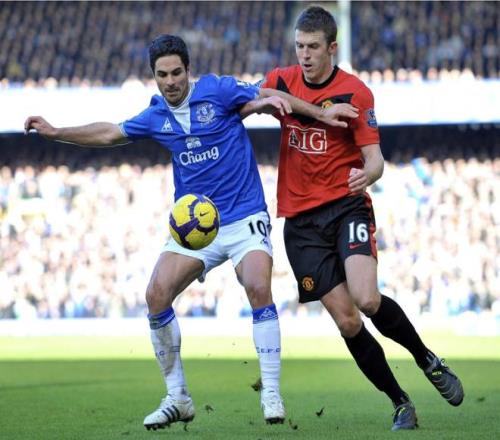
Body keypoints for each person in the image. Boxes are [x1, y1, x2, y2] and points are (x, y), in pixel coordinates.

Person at [24, 34, 355, 431]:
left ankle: (270, 391)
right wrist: (55, 131)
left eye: (176, 72)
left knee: (257, 285)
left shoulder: (217, 90)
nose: (170, 82)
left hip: (243, 215)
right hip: (195, 227)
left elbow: (267, 93)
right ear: (154, 76)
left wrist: (318, 114)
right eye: (162, 75)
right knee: (156, 294)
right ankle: (177, 397)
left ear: (188, 70)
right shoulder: (155, 116)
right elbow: (110, 133)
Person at [255, 6, 465, 431]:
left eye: (313, 47)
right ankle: (401, 402)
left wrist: (368, 174)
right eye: (299, 47)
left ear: (332, 47)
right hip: (300, 224)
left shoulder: (356, 93)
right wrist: (315, 111)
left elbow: (375, 160)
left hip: (345, 206)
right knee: (348, 320)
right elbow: (250, 99)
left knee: (367, 299)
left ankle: (427, 359)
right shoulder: (281, 80)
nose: (305, 55)